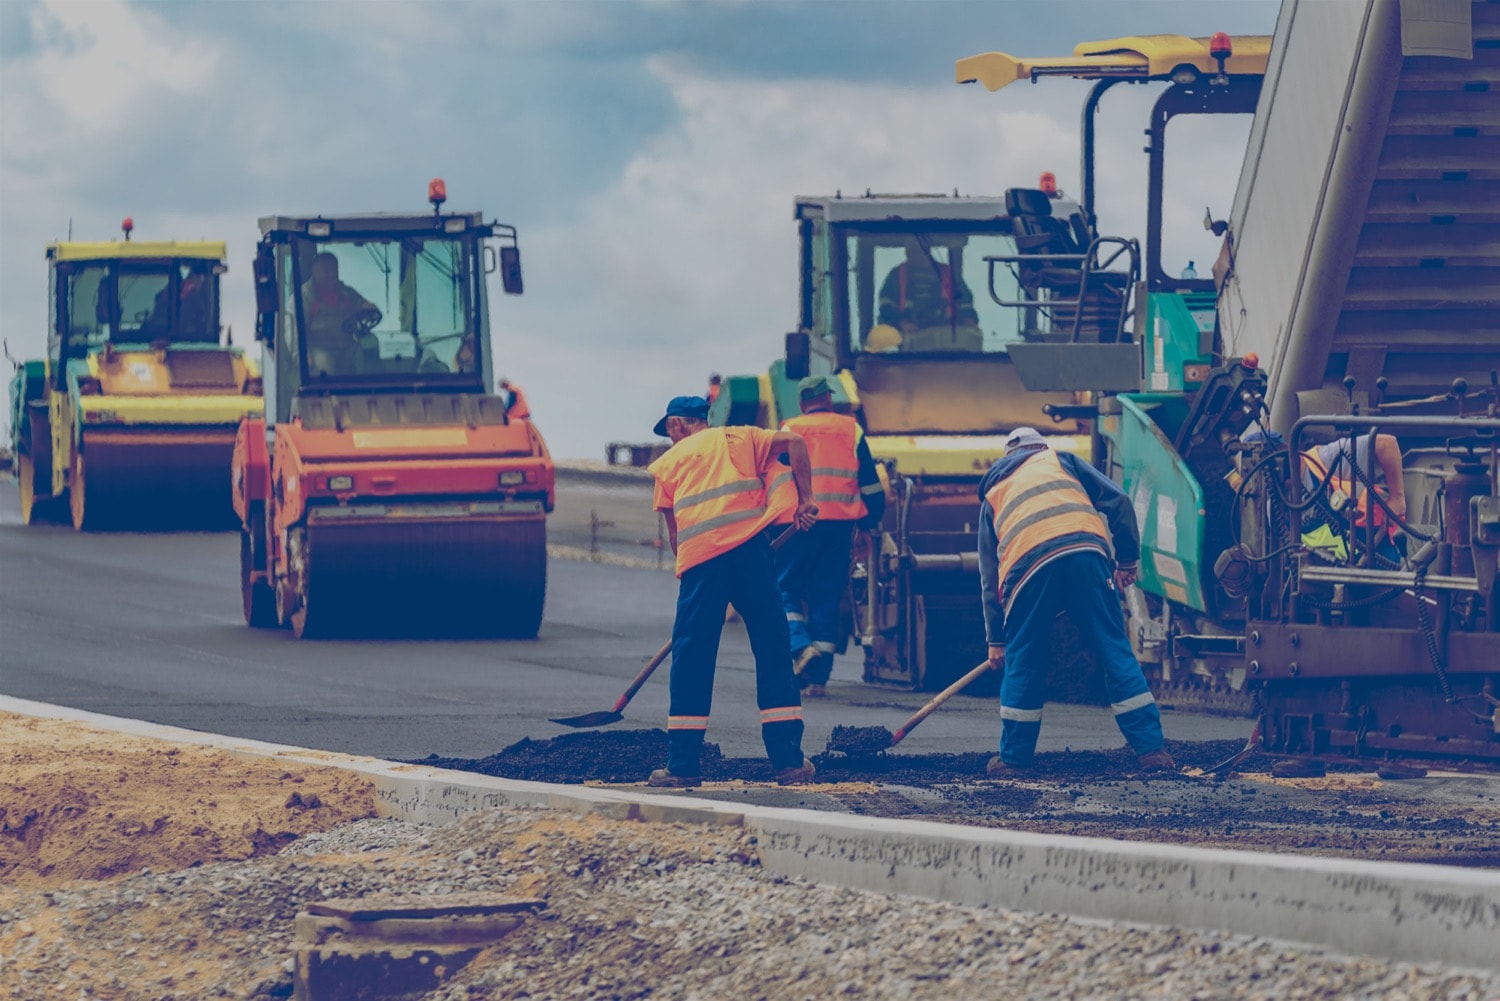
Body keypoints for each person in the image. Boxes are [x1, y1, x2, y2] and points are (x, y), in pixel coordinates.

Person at [978, 427, 1175, 776]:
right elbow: (1120, 503)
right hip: (1087, 554)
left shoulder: (994, 491)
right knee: (1115, 649)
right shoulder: (1062, 461)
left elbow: (989, 575)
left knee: (1024, 660)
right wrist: (1127, 561)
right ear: (1041, 448)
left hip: (1027, 569)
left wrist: (997, 640)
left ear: (1008, 457)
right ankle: (1152, 752)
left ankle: (1013, 760)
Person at [646, 395, 820, 788]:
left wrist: (699, 585)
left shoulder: (669, 464)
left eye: (669, 431)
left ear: (677, 425)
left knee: (691, 657)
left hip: (702, 563)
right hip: (752, 554)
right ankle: (789, 763)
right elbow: (795, 443)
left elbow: (676, 538)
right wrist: (807, 498)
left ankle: (682, 765)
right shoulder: (741, 438)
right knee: (774, 652)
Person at [772, 375, 886, 697]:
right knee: (826, 596)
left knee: (783, 588)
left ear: (803, 403)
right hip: (838, 526)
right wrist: (868, 524)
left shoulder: (789, 428)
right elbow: (871, 486)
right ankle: (818, 681)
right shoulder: (851, 429)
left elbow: (775, 480)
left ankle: (799, 645)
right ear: (828, 399)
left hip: (796, 523)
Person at [877, 237, 978, 335]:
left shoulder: (947, 274)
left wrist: (968, 320)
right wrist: (901, 324)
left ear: (927, 248)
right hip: (907, 341)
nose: (909, 251)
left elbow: (964, 301)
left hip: (946, 337)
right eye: (908, 246)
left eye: (915, 246)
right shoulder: (896, 274)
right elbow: (886, 305)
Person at [301, 252, 379, 374]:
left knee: (367, 348)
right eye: (327, 271)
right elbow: (296, 331)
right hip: (320, 348)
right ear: (315, 272)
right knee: (323, 363)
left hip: (346, 345)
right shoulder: (305, 297)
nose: (332, 274)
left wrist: (368, 307)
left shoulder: (346, 293)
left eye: (334, 270)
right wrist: (303, 355)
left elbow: (361, 304)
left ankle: (369, 390)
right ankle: (324, 392)